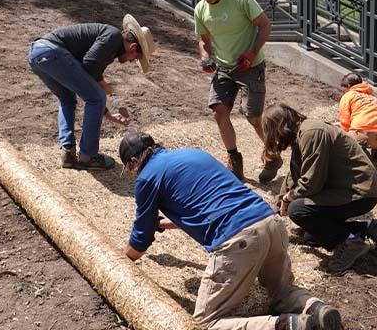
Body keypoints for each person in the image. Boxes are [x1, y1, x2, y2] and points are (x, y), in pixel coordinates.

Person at [119, 131, 344, 330]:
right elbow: (212, 205)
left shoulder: (147, 178)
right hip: (270, 223)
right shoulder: (192, 154)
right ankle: (318, 310)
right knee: (282, 292)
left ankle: (289, 325)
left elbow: (141, 236)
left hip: (239, 240)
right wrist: (166, 224)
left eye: (128, 170)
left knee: (207, 323)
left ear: (132, 163)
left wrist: (122, 261)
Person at [261, 103, 377, 273]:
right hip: (342, 190)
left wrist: (288, 199)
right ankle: (371, 228)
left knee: (298, 210)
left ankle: (352, 244)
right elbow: (295, 175)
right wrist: (276, 205)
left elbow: (311, 183)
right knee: (311, 237)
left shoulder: (312, 133)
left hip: (360, 193)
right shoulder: (302, 134)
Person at [186, 0, 281, 183]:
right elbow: (204, 39)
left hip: (251, 66)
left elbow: (265, 26)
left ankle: (273, 156)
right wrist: (205, 57)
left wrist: (251, 52)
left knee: (254, 117)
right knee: (219, 111)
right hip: (224, 67)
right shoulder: (201, 8)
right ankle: (234, 159)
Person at [27, 14, 155, 170]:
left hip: (37, 54)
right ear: (133, 47)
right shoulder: (113, 36)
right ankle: (88, 157)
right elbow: (89, 64)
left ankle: (67, 152)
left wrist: (108, 114)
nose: (131, 61)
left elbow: (90, 80)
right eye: (136, 58)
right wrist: (104, 85)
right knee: (96, 96)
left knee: (67, 99)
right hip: (53, 53)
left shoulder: (110, 47)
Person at [338, 72, 377, 160]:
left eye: (343, 90)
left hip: (365, 136)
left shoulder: (348, 96)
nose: (343, 92)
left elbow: (345, 121)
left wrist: (345, 135)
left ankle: (361, 153)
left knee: (344, 140)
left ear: (348, 86)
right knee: (373, 125)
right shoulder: (372, 97)